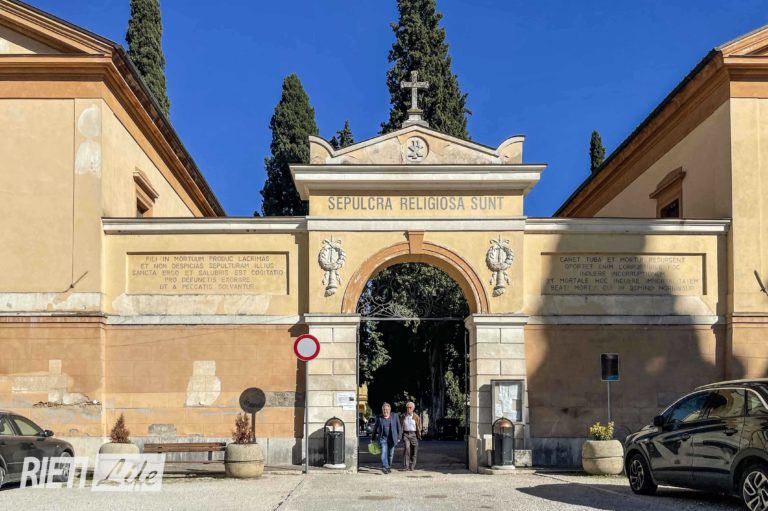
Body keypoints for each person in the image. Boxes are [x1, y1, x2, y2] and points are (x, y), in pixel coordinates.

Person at [371, 402, 401, 473]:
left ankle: (388, 467)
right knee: (384, 452)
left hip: (392, 438)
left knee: (390, 454)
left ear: (390, 410)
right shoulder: (379, 418)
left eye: (387, 409)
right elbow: (375, 428)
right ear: (382, 410)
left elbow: (399, 427)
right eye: (384, 409)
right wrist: (372, 438)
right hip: (383, 439)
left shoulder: (395, 416)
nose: (385, 411)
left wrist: (399, 437)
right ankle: (385, 466)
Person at [399, 401, 422, 471]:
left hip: (414, 434)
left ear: (413, 408)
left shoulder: (416, 417)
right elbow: (400, 425)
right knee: (407, 448)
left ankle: (412, 465)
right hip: (406, 434)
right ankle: (406, 466)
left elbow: (419, 426)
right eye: (407, 407)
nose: (408, 409)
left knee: (414, 450)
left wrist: (419, 433)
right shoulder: (403, 416)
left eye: (410, 408)